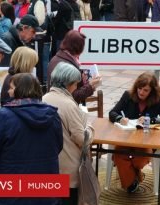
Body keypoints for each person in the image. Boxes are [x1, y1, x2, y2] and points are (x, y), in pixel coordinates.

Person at [0, 73, 62, 205]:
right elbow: (58, 146)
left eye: (11, 88)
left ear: (21, 90)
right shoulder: (53, 115)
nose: (8, 91)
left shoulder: (5, 116)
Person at [108, 72, 160, 193]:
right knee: (118, 156)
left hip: (146, 141)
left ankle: (133, 176)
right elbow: (112, 113)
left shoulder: (157, 100)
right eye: (139, 88)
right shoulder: (128, 95)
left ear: (152, 91)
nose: (141, 92)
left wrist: (152, 120)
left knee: (139, 160)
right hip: (127, 138)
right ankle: (133, 182)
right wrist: (120, 119)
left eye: (145, 90)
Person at [42, 62, 95, 205]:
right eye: (76, 84)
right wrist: (89, 127)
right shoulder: (68, 104)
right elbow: (81, 138)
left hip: (50, 165)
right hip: (68, 169)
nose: (76, 87)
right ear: (69, 84)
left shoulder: (44, 98)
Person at [47, 30, 101, 104]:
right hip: (64, 108)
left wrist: (83, 80)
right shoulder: (65, 64)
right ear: (78, 47)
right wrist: (90, 86)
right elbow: (71, 96)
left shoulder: (60, 57)